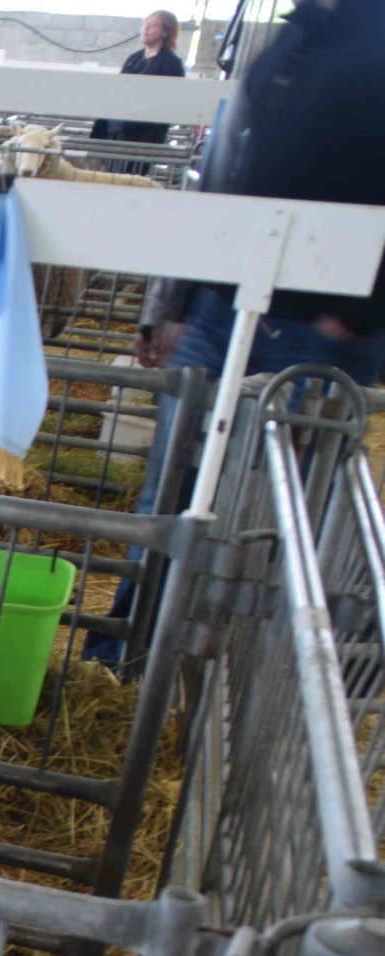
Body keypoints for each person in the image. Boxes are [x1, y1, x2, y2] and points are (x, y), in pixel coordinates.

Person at [86, 0, 385, 668]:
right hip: (221, 304)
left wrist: (358, 317)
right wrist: (174, 301)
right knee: (170, 491)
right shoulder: (296, 37)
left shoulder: (366, 36)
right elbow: (222, 170)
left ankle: (234, 669)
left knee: (273, 508)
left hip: (320, 327)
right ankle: (122, 656)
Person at [92, 11, 188, 147]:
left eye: (153, 25)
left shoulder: (171, 63)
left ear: (166, 32)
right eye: (145, 24)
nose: (146, 29)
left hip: (142, 136)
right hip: (115, 129)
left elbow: (168, 102)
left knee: (131, 168)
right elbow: (117, 91)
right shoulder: (134, 59)